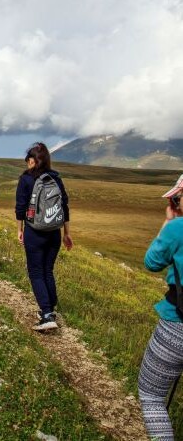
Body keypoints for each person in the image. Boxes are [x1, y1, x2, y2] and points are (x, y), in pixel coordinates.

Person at [138, 174, 183, 441]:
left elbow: (152, 262)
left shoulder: (177, 228)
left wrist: (169, 221)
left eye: (177, 197)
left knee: (152, 395)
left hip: (177, 325)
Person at [15, 142, 72, 331]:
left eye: (28, 160)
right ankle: (50, 308)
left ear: (32, 160)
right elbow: (64, 206)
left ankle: (46, 314)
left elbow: (20, 207)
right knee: (47, 270)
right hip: (54, 232)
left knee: (36, 272)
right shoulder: (55, 178)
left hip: (35, 232)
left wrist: (19, 229)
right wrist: (67, 233)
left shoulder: (26, 179)